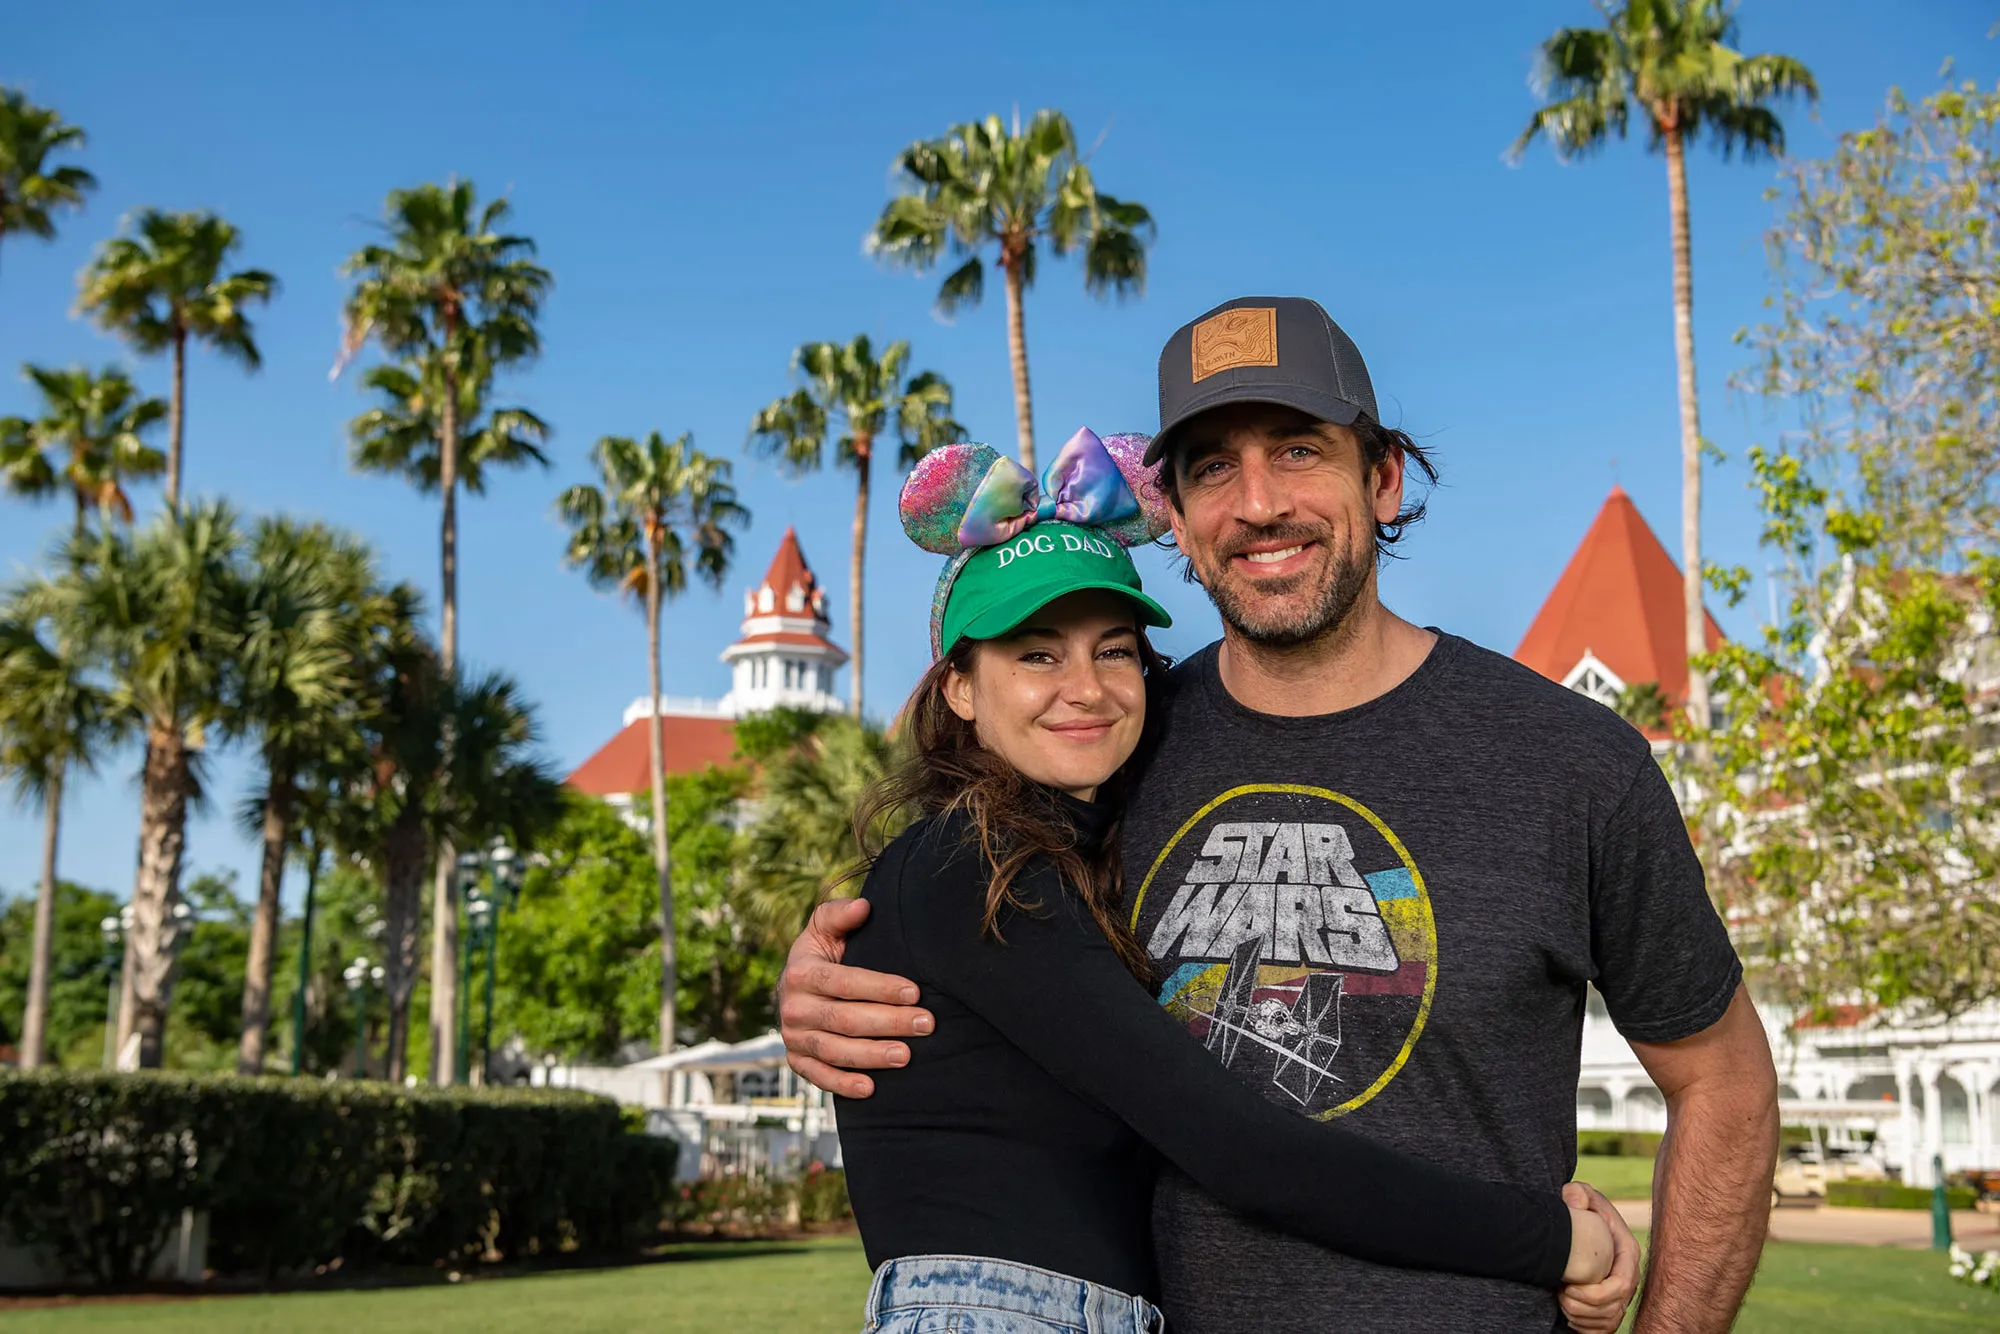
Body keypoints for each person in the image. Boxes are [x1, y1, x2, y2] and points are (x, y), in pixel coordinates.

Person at [782, 299, 1780, 1334]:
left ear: (1381, 474)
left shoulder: (1569, 760)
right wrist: (820, 975)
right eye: (1211, 465)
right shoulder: (1109, 743)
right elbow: (959, 916)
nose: (1257, 502)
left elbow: (1724, 1082)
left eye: (1298, 449)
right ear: (1169, 508)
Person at [839, 428, 1634, 1334]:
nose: (1087, 687)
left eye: (1113, 649)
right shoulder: (968, 869)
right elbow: (1246, 1152)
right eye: (1034, 654)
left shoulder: (1058, 858)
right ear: (960, 689)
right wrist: (1549, 1240)